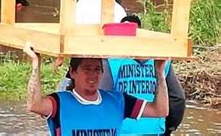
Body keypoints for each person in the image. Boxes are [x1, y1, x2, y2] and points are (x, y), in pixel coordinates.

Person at [25, 41, 169, 136]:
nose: (93, 75)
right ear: (73, 72)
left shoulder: (118, 101)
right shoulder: (59, 102)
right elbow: (34, 105)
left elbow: (160, 110)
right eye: (87, 69)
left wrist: (160, 73)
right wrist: (36, 64)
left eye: (97, 70)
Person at [100, 15, 186, 135]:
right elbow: (177, 99)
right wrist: (169, 128)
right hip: (154, 130)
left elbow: (102, 97)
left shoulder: (111, 61)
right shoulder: (161, 61)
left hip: (122, 131)